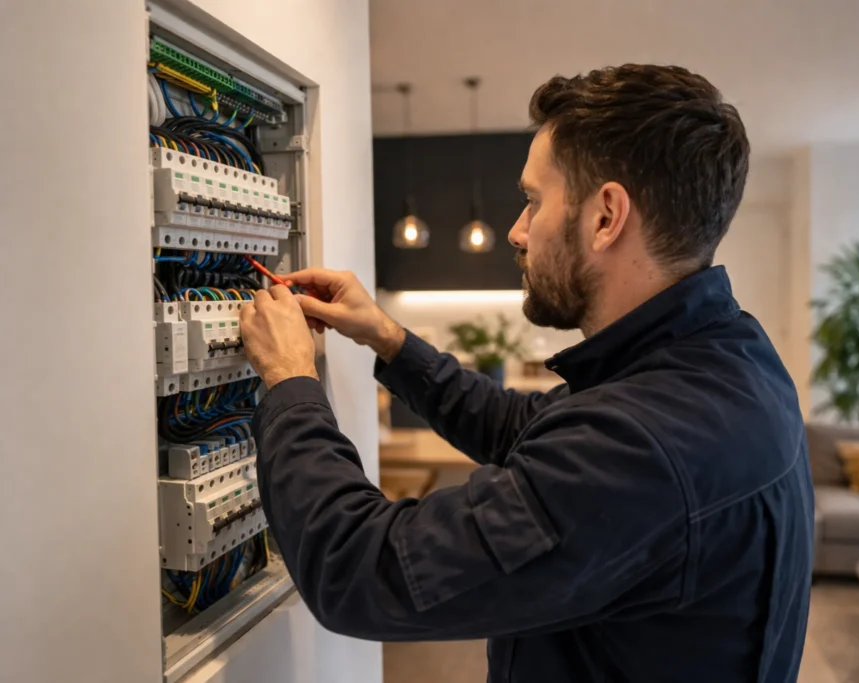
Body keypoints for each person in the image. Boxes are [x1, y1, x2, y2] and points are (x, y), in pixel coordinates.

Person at [239, 64, 814, 683]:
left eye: (534, 201)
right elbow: (532, 428)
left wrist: (292, 380)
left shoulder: (644, 443)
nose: (517, 230)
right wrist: (389, 338)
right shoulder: (729, 356)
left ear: (606, 216)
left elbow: (359, 570)